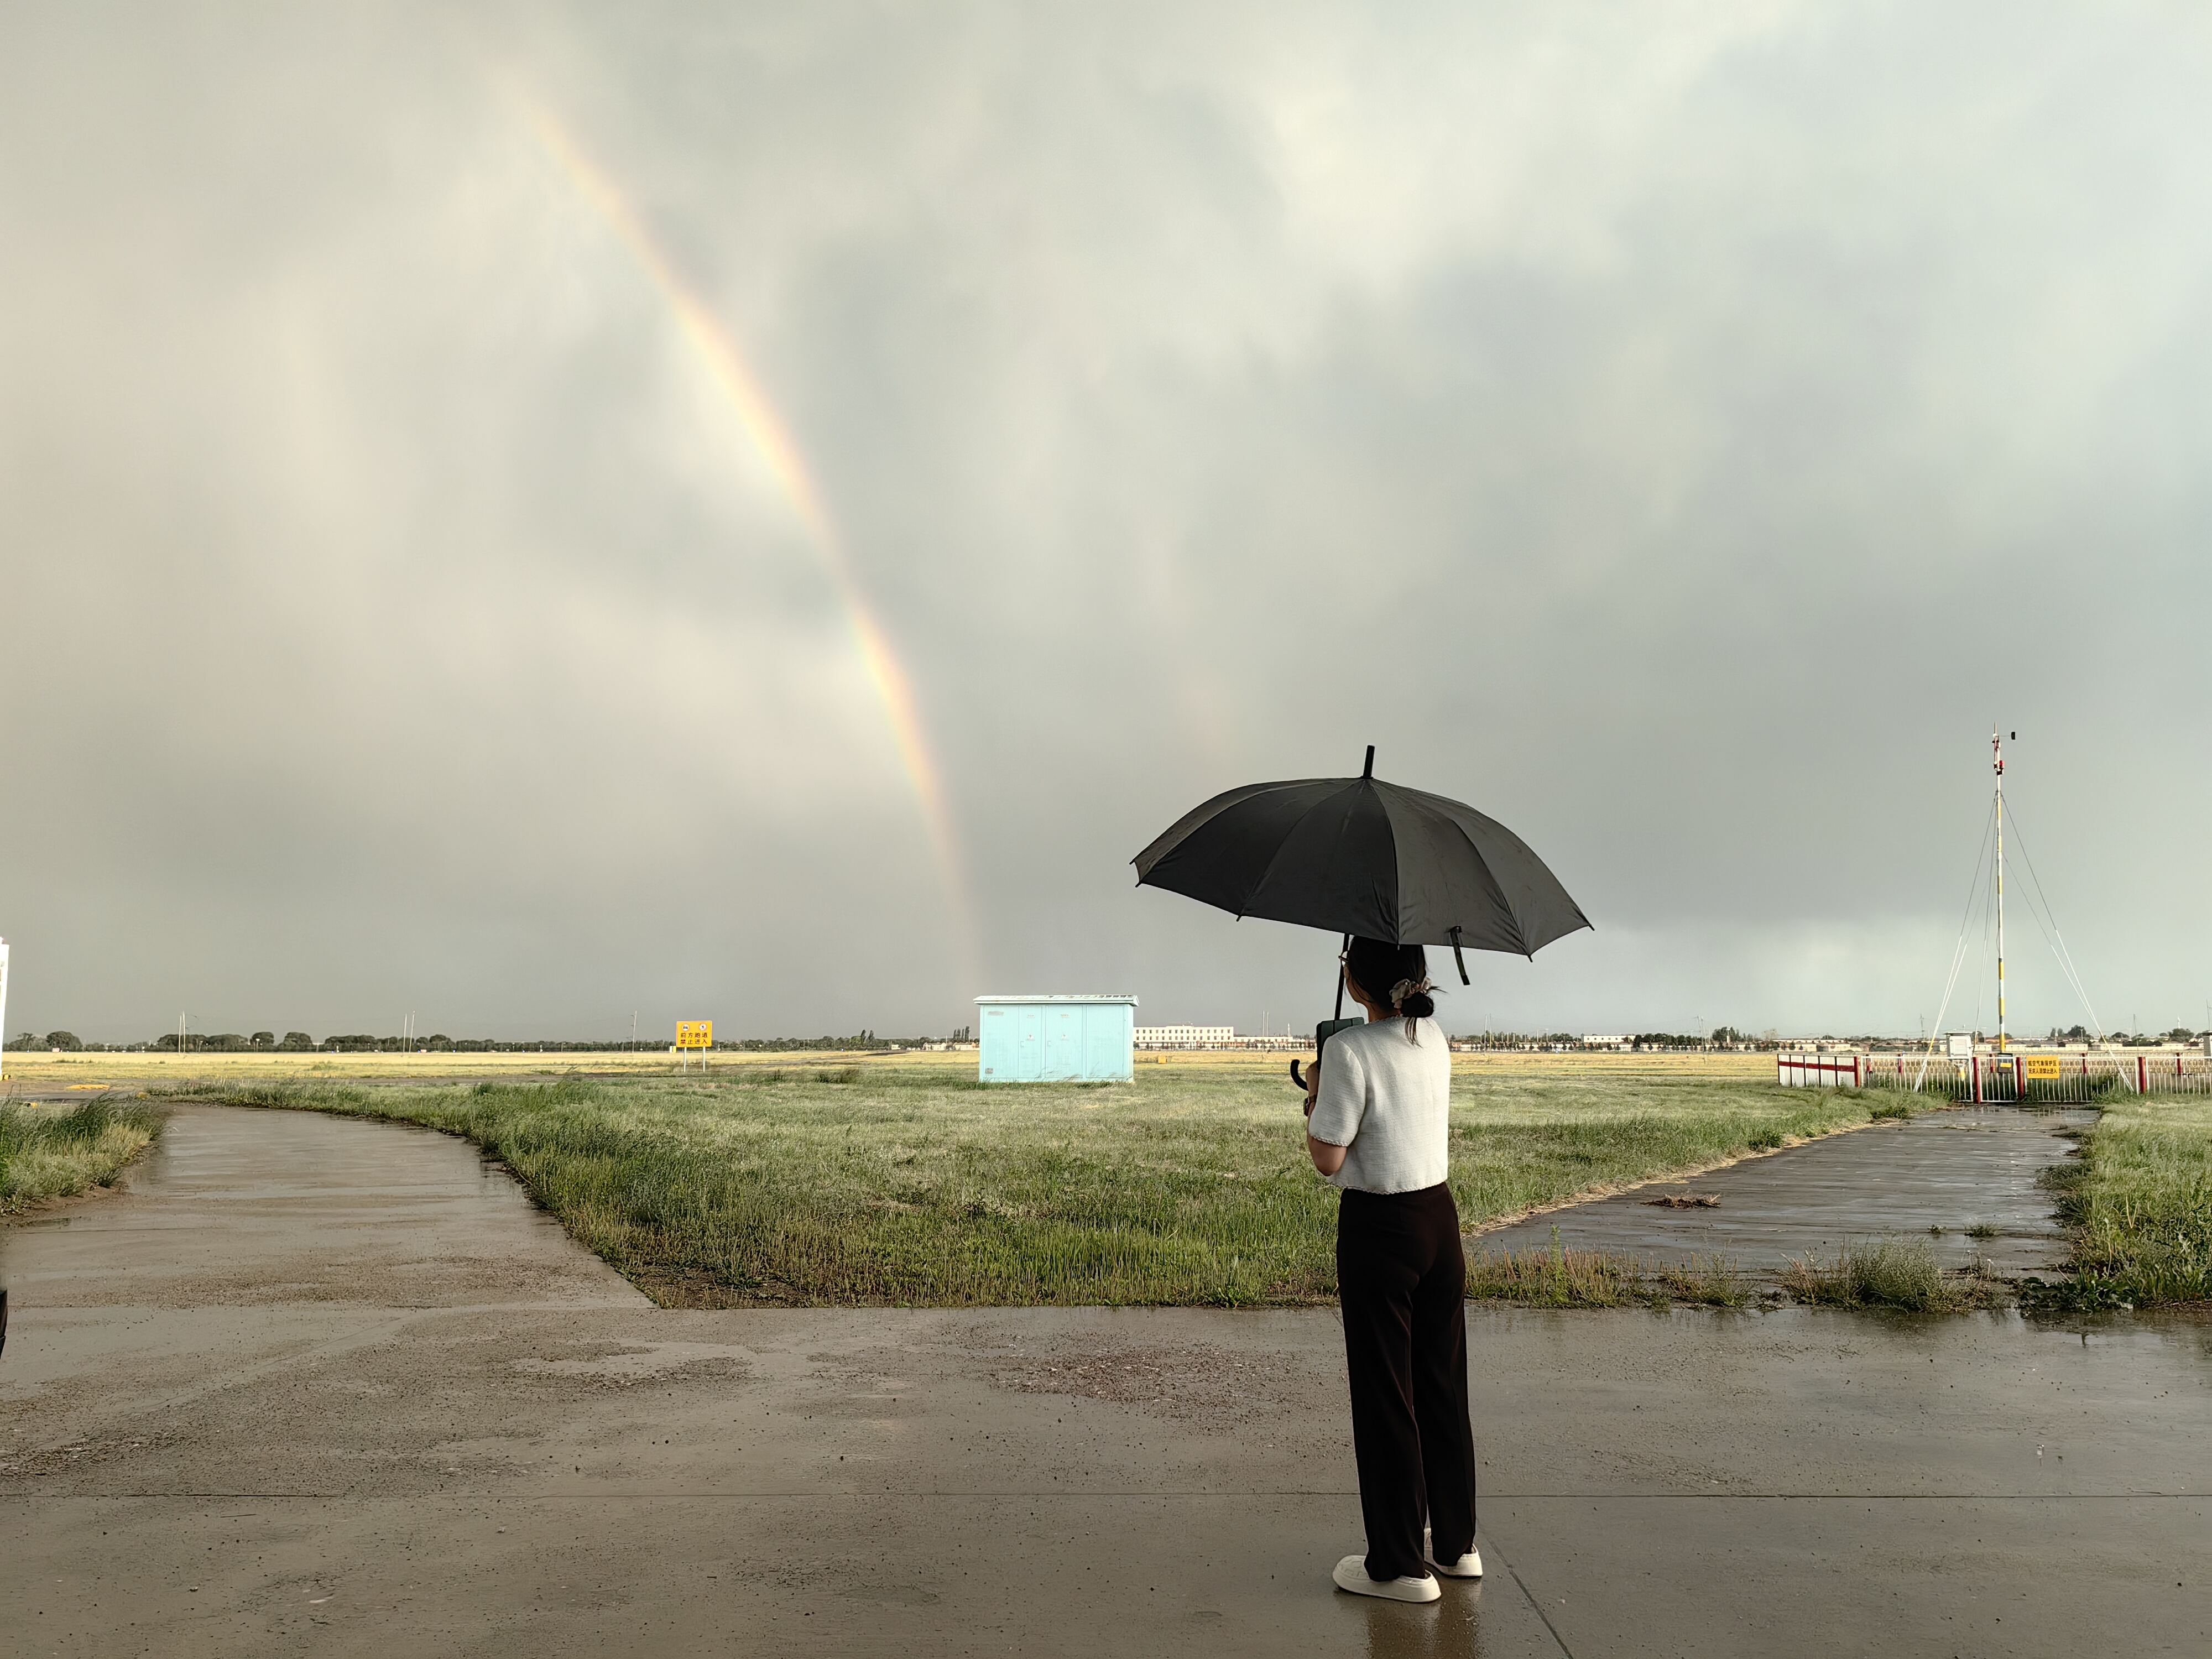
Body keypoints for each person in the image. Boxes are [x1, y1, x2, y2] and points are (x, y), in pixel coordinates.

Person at [1303, 936, 1481, 1604]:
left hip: (1381, 1227)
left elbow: (1328, 1156)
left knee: (1385, 1394)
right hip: (1440, 1218)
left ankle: (1399, 1566)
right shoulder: (1433, 1039)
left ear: (1354, 983)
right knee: (1440, 1383)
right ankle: (1457, 1546)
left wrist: (1315, 1092)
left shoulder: (1348, 1051)